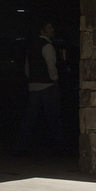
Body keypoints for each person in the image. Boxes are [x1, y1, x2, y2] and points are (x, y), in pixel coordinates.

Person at [13, 20, 61, 156]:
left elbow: (27, 68)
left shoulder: (32, 47)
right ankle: (57, 147)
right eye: (49, 27)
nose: (52, 28)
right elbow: (51, 65)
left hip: (34, 86)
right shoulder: (47, 46)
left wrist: (31, 79)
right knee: (53, 118)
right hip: (47, 86)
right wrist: (54, 78)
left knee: (30, 118)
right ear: (43, 31)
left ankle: (20, 145)